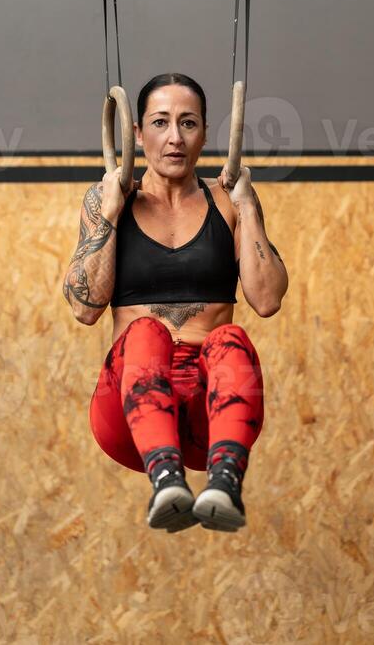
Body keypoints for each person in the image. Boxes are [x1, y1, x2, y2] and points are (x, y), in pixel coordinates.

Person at [63, 73, 288, 533]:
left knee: (231, 336)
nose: (174, 138)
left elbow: (265, 300)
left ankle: (224, 484)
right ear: (136, 134)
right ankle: (166, 481)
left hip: (212, 411)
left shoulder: (228, 199)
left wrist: (246, 208)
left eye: (188, 124)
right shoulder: (109, 202)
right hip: (130, 414)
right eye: (160, 123)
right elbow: (85, 309)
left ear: (205, 134)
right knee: (146, 332)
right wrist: (109, 209)